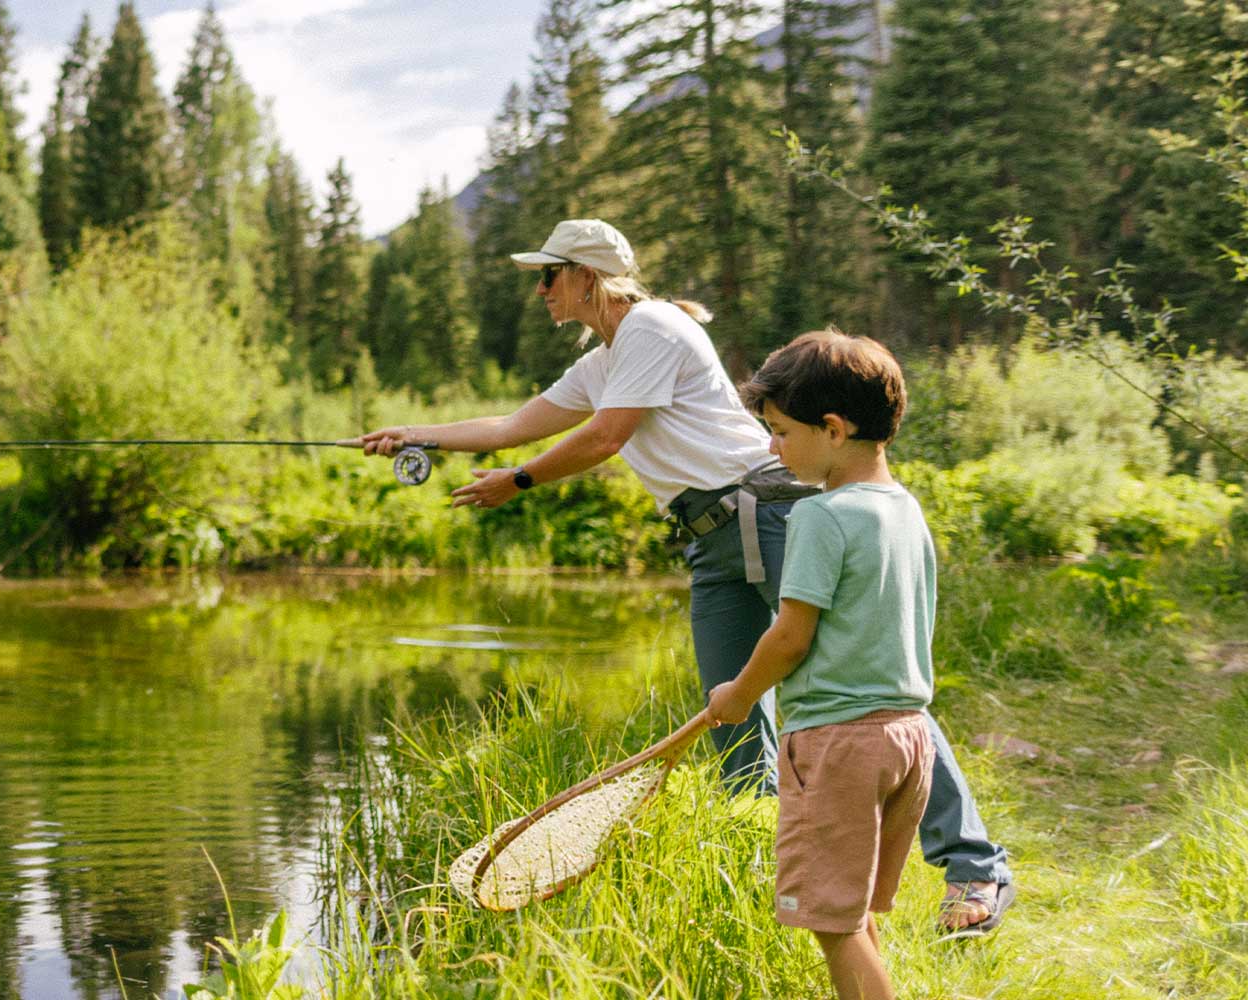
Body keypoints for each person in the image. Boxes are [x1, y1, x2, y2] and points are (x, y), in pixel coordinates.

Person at [345, 219, 1013, 935]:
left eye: (550, 274)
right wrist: (418, 435)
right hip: (709, 542)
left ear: (588, 276)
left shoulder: (654, 327)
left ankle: (975, 867)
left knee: (870, 689)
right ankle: (761, 867)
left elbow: (605, 438)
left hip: (767, 513)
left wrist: (521, 482)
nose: (540, 288)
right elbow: (515, 423)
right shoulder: (606, 361)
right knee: (731, 713)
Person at [705, 329, 941, 999]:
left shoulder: (821, 517)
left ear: (833, 429)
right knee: (856, 910)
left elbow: (790, 637)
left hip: (837, 747)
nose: (772, 447)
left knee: (831, 923)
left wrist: (739, 694)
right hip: (907, 738)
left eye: (780, 431)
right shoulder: (905, 511)